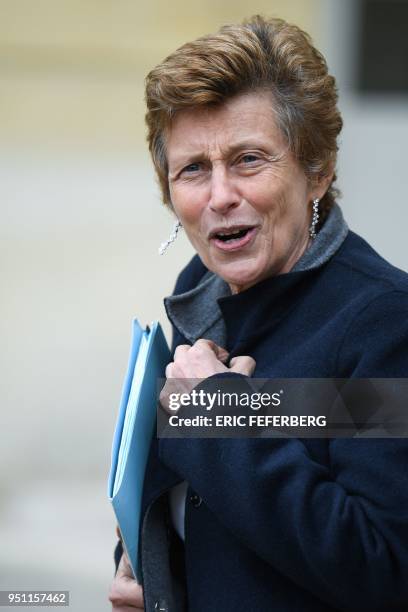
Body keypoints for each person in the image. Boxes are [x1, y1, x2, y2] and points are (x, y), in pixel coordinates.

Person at [109, 15, 408, 612]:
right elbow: (213, 497)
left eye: (248, 159)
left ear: (316, 171)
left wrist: (220, 417)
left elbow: (382, 566)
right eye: (193, 169)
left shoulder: (381, 324)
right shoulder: (202, 288)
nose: (219, 196)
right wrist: (151, 565)